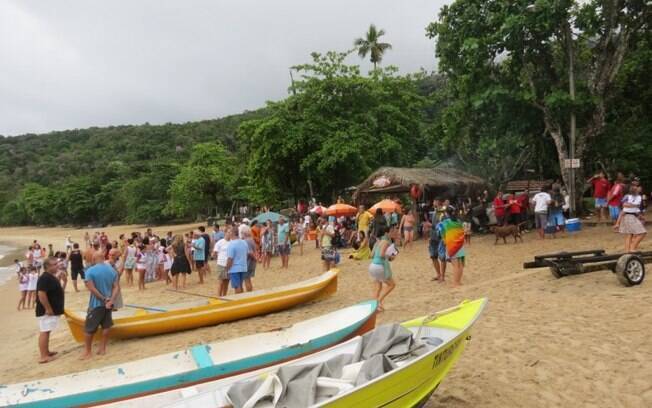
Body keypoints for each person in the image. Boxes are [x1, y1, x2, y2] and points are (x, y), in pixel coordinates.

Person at [81, 252, 119, 359]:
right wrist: (111, 300)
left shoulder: (90, 271)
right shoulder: (112, 270)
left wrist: (103, 299)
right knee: (106, 326)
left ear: (94, 259)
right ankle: (102, 348)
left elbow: (91, 288)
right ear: (104, 258)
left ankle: (87, 352)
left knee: (89, 329)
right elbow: (116, 287)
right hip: (109, 304)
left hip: (97, 304)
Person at [35, 257, 64, 363]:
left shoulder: (49, 277)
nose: (57, 265)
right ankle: (43, 356)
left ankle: (46, 352)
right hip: (46, 311)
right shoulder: (45, 278)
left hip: (51, 309)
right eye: (54, 264)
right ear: (47, 266)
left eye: (57, 263)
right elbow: (41, 294)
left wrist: (59, 278)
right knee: (44, 331)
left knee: (47, 330)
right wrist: (48, 308)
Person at [368, 226, 396, 312]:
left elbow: (371, 255)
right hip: (379, 266)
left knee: (378, 287)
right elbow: (381, 255)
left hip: (372, 266)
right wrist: (390, 256)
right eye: (392, 231)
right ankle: (378, 301)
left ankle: (374, 307)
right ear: (387, 233)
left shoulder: (378, 242)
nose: (394, 233)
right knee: (392, 284)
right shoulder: (386, 242)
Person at [614, 184, 647, 252]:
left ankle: (627, 251)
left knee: (629, 235)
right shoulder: (630, 197)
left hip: (630, 216)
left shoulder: (637, 197)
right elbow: (625, 206)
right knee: (642, 232)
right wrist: (634, 205)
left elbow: (630, 208)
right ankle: (632, 248)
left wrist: (641, 217)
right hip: (630, 217)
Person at [440, 206, 466, 287]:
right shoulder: (459, 221)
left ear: (447, 213)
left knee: (455, 265)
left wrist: (444, 239)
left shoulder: (446, 222)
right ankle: (459, 281)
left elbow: (440, 231)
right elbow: (462, 231)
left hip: (452, 245)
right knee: (460, 264)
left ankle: (455, 283)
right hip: (460, 244)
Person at [225, 229, 250, 294]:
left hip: (234, 269)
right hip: (243, 267)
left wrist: (227, 268)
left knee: (237, 286)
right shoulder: (244, 242)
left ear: (233, 233)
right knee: (240, 285)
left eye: (229, 232)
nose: (228, 233)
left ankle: (239, 300)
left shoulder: (231, 244)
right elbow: (247, 254)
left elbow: (230, 259)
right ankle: (242, 300)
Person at [213, 228, 232, 296]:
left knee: (227, 282)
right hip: (221, 264)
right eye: (228, 232)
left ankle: (225, 295)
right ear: (225, 232)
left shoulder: (232, 242)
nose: (230, 233)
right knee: (221, 282)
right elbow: (214, 253)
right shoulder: (220, 242)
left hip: (229, 265)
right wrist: (218, 260)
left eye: (231, 232)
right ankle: (219, 296)